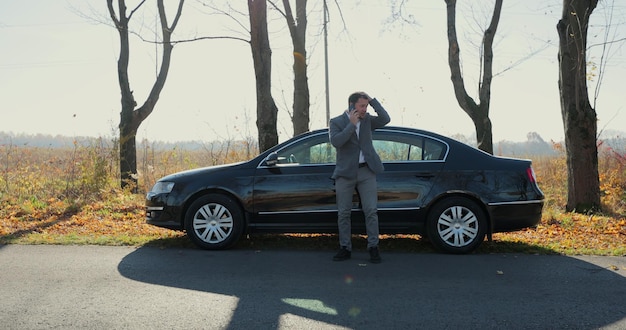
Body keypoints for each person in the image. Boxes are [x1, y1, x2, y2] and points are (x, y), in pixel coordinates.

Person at [329, 91, 391, 263]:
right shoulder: (336, 122)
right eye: (362, 106)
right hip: (345, 173)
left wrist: (373, 101)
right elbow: (336, 142)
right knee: (343, 213)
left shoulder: (368, 121)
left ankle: (373, 247)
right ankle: (345, 248)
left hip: (366, 171)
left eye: (366, 106)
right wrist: (351, 124)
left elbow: (386, 119)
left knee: (371, 210)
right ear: (351, 106)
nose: (365, 109)